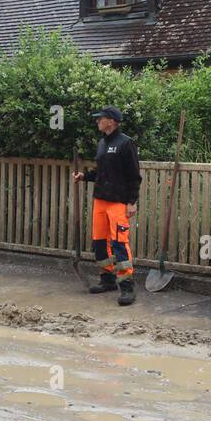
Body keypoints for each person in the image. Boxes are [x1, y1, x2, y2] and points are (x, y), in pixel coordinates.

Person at [73, 107, 140, 306]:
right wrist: (85, 176)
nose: (97, 122)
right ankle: (107, 280)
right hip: (100, 200)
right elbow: (101, 171)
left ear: (111, 121)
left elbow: (134, 176)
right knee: (100, 243)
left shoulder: (126, 143)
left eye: (99, 119)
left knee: (119, 244)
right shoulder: (102, 143)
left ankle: (127, 287)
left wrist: (132, 202)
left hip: (118, 202)